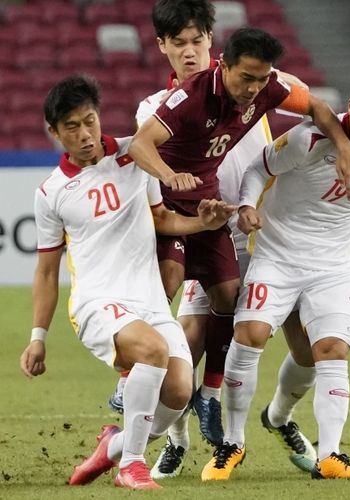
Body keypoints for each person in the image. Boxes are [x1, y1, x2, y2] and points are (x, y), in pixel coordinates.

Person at [109, 0, 318, 479]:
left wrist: (271, 79)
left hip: (266, 236)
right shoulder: (155, 108)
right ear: (161, 47)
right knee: (187, 339)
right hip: (204, 230)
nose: (189, 52)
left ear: (212, 41)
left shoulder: (251, 82)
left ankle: (280, 415)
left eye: (197, 41)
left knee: (308, 347)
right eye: (178, 43)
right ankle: (177, 437)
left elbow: (304, 98)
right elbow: (144, 164)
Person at [203, 66, 350, 481]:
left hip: (331, 270)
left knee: (330, 350)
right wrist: (246, 205)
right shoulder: (307, 139)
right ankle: (233, 442)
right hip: (276, 259)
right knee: (250, 334)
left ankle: (328, 454)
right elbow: (258, 169)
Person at [19, 74, 234, 490]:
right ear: (54, 132)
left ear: (99, 116)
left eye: (90, 121)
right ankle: (131, 466)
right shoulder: (51, 192)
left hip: (148, 300)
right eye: (72, 127)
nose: (85, 135)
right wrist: (37, 337)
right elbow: (46, 271)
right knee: (152, 351)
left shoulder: (134, 156)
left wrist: (201, 223)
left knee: (178, 392)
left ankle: (114, 446)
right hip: (97, 303)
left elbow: (160, 218)